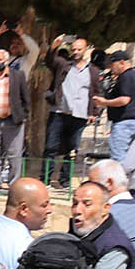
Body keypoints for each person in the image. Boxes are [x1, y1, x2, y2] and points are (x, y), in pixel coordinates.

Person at [44, 37, 102, 188]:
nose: (76, 52)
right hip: (60, 111)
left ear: (86, 49)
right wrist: (53, 47)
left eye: (79, 49)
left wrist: (94, 113)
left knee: (72, 150)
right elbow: (49, 61)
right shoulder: (64, 65)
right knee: (51, 146)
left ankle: (64, 181)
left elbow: (96, 93)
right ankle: (45, 179)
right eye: (74, 49)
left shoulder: (93, 71)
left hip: (80, 114)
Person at [69, 181, 134, 269]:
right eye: (75, 203)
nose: (77, 210)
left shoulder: (115, 247)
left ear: (105, 208)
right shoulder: (76, 234)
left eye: (87, 204)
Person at [0, 48, 30, 184]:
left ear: (7, 61)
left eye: (0, 60)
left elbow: (25, 98)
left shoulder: (18, 76)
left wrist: (24, 115)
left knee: (14, 154)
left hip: (13, 121)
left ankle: (14, 183)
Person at [94, 50, 135, 163]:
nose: (111, 68)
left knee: (118, 159)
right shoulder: (131, 75)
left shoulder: (126, 76)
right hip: (127, 122)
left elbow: (124, 99)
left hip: (123, 124)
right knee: (125, 158)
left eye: (112, 64)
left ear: (121, 62)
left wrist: (104, 102)